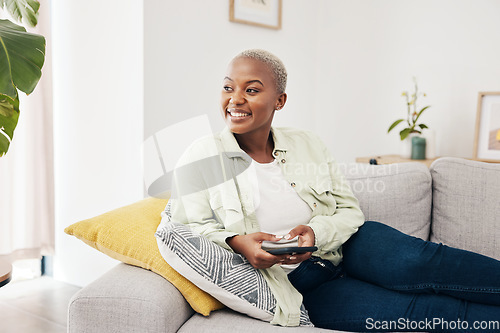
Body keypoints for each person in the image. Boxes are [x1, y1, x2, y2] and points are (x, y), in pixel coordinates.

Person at [165, 49, 500, 331]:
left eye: (251, 90)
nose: (235, 99)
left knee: (426, 262)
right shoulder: (202, 156)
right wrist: (237, 242)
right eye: (228, 88)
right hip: (300, 286)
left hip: (351, 245)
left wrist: (315, 232)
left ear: (279, 100)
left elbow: (349, 210)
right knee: (424, 314)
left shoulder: (306, 143)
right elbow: (184, 229)